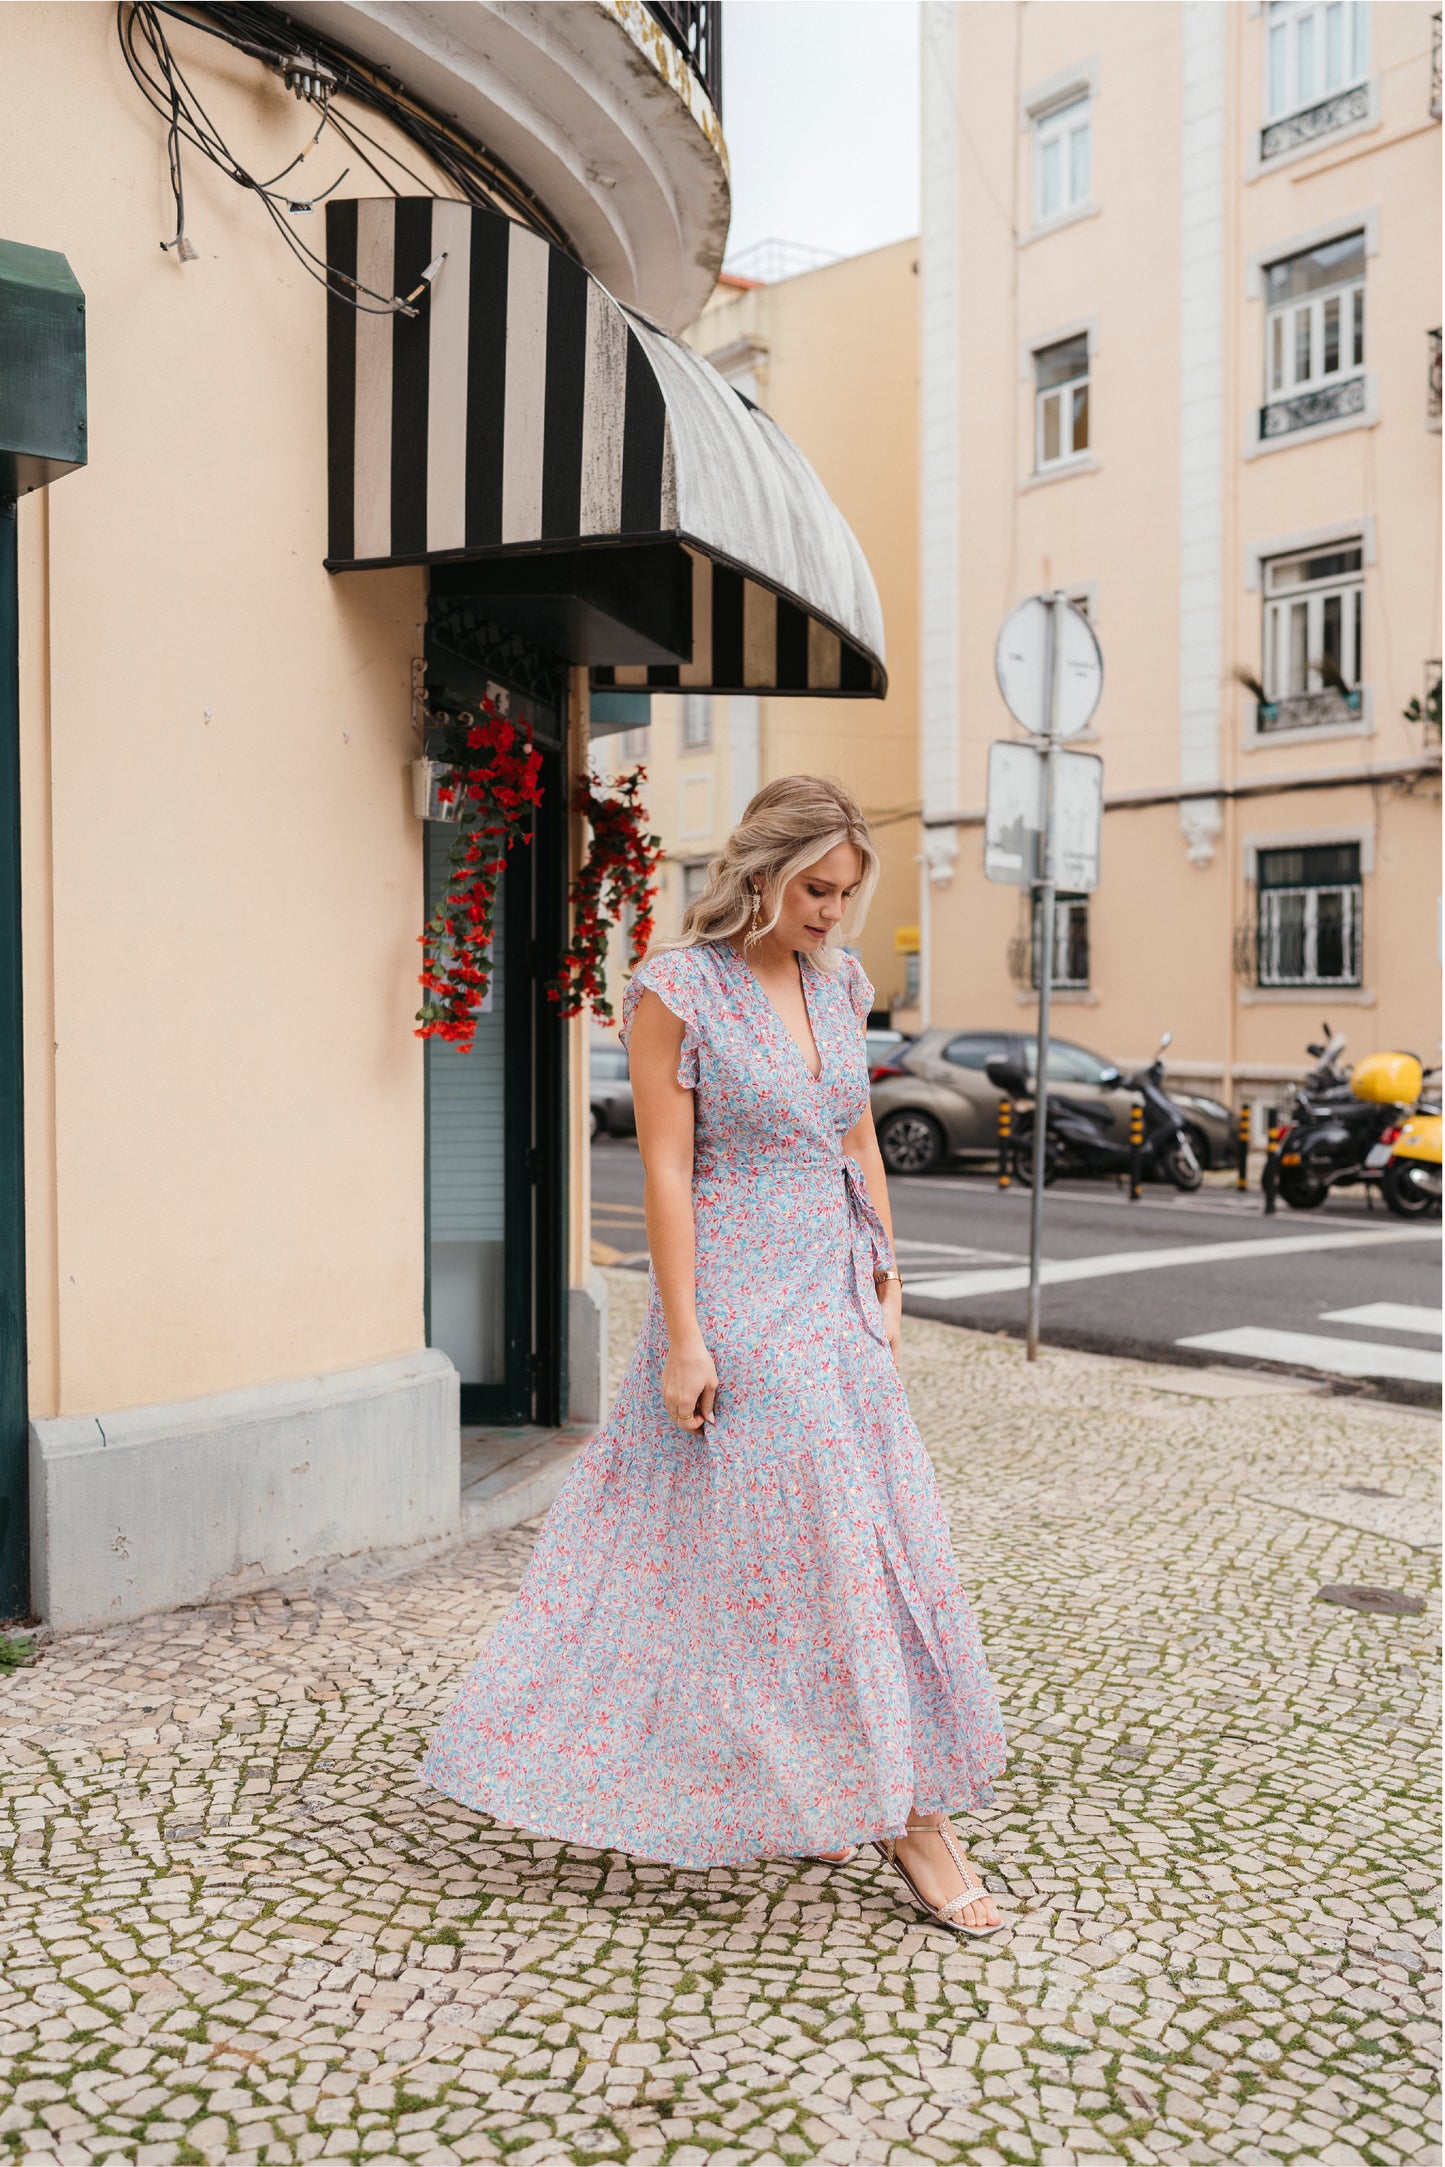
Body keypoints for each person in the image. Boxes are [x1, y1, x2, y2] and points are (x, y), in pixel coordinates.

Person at [423, 775, 1007, 1934]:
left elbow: (851, 1132)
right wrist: (682, 1338)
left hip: (834, 1284)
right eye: (815, 889)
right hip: (737, 1290)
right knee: (826, 1537)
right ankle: (912, 1821)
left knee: (849, 1536)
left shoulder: (839, 981)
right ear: (759, 874)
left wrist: (886, 1271)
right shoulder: (675, 989)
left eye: (846, 892)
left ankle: (842, 1773)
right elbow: (665, 1172)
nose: (832, 911)